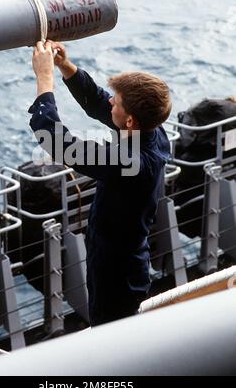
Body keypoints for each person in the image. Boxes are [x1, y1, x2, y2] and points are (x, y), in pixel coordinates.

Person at [28, 40, 172, 327]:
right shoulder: (151, 132)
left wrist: (44, 79)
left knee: (110, 333)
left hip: (114, 271)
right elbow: (98, 102)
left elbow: (58, 143)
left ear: (130, 121)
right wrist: (65, 67)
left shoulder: (130, 163)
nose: (110, 101)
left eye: (116, 102)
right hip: (123, 258)